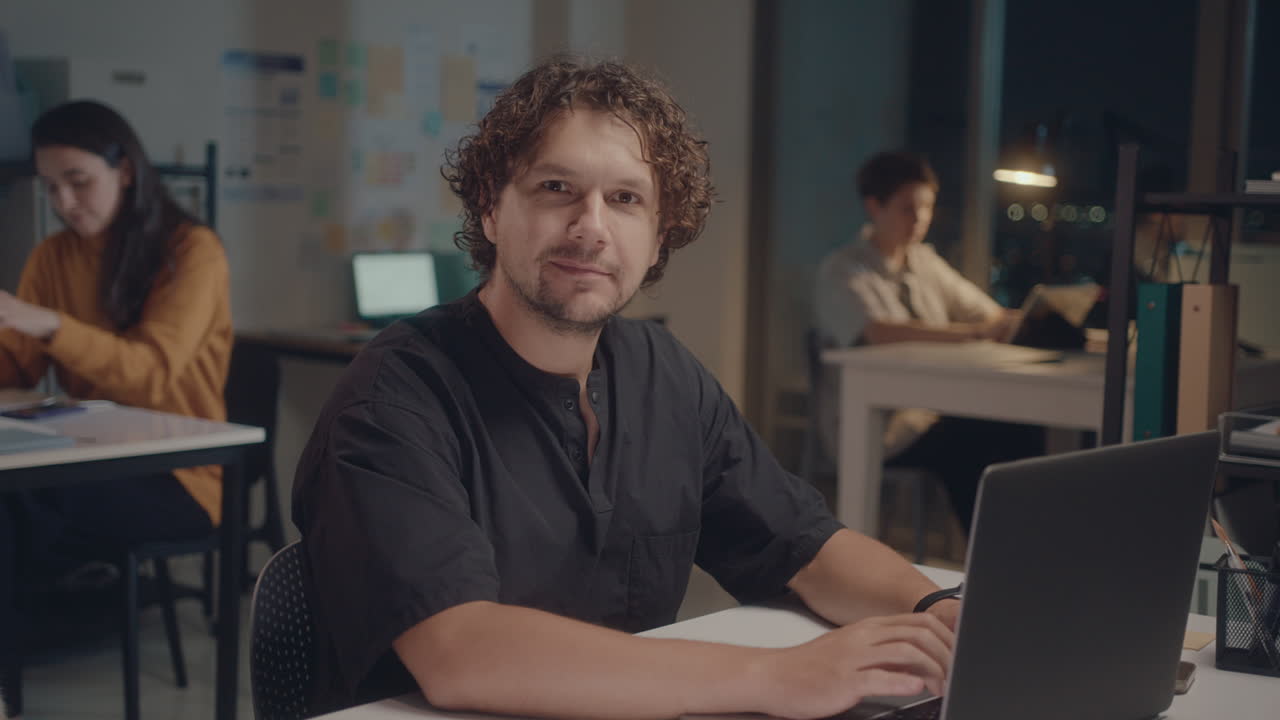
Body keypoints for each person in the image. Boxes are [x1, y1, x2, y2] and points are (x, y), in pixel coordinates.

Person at [294, 59, 959, 720]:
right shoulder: (394, 397)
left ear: (660, 235)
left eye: (626, 198)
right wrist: (773, 676)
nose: (591, 227)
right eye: (557, 187)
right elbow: (460, 650)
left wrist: (939, 611)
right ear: (491, 208)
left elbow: (803, 544)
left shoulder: (661, 372)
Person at [0, 100, 232, 713]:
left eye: (79, 181)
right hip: (89, 459)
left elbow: (151, 374)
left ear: (124, 169)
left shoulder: (193, 250)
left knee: (15, 506)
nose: (65, 202)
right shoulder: (52, 257)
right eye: (51, 187)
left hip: (180, 476)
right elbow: (15, 369)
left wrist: (49, 323)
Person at [814, 151, 1044, 534]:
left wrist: (998, 323)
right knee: (971, 442)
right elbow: (879, 331)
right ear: (875, 206)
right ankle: (994, 559)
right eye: (907, 209)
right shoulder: (843, 269)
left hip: (929, 412)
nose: (919, 219)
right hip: (875, 427)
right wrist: (970, 333)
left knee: (1013, 431)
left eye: (926, 208)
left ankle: (1027, 550)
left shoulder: (924, 263)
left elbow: (986, 314)